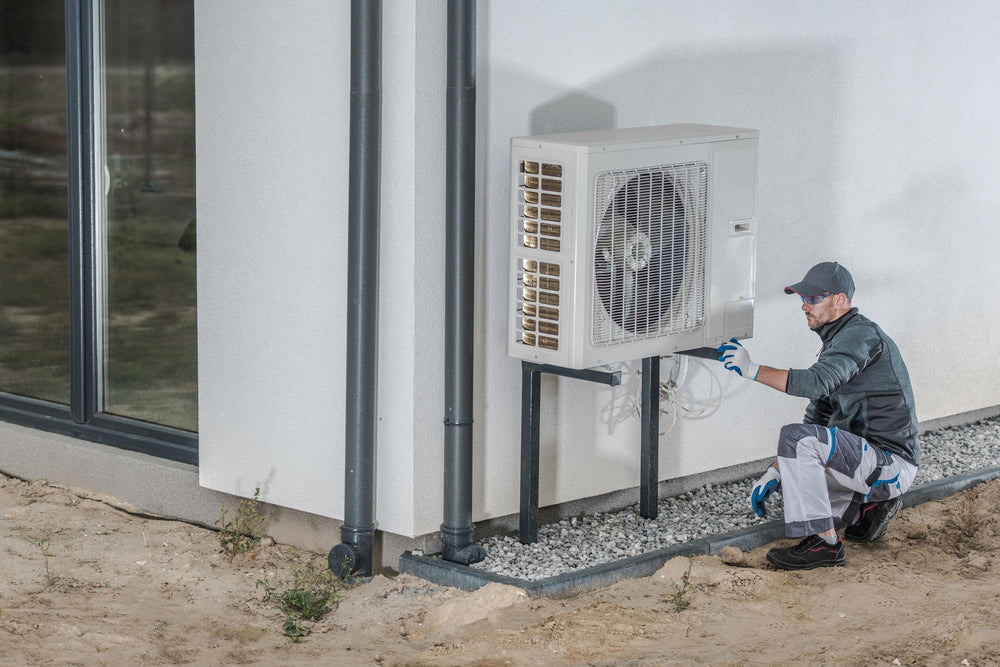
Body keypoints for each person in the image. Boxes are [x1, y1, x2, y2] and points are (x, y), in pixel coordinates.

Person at [717, 261, 919, 570]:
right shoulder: (838, 341)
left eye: (813, 299)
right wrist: (777, 469)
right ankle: (868, 510)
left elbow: (815, 382)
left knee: (796, 444)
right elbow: (818, 414)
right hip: (870, 461)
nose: (803, 306)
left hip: (890, 463)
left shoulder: (860, 335)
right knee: (794, 476)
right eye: (802, 298)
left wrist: (751, 369)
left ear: (840, 300)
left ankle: (825, 545)